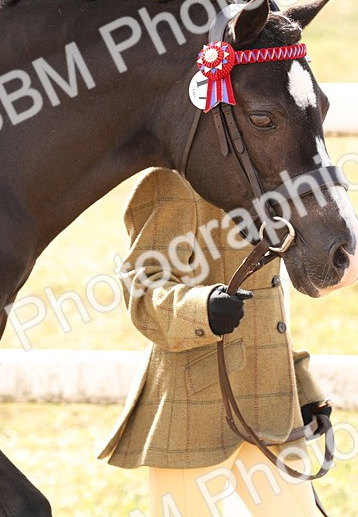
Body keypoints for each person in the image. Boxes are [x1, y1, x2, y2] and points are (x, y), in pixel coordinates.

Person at [99, 168, 331, 516]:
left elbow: (268, 303)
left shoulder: (268, 183)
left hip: (270, 405)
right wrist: (201, 309)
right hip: (193, 408)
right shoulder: (170, 182)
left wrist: (302, 387)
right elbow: (143, 287)